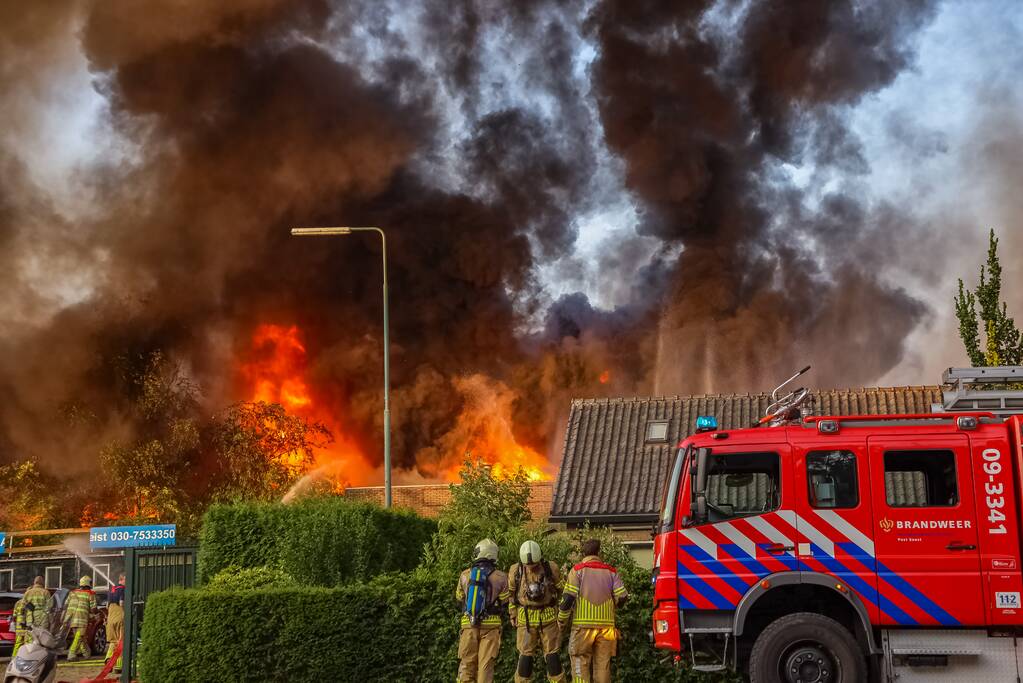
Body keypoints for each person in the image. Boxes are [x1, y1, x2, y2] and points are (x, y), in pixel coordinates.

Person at [557, 539, 628, 683]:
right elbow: (623, 597)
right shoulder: (611, 571)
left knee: (579, 661)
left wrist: (561, 621)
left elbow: (568, 600)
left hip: (582, 627)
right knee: (603, 665)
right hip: (607, 628)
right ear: (599, 552)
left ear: (583, 553)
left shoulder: (577, 571)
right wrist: (612, 606)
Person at [508, 540, 566, 683]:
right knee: (525, 658)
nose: (530, 568)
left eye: (533, 565)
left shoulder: (550, 568)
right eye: (528, 565)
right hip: (525, 620)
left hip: (548, 618)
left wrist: (561, 614)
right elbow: (510, 594)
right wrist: (513, 613)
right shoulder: (516, 570)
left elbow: (562, 590)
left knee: (552, 657)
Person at [455, 538, 510, 683]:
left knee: (466, 664)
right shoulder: (501, 577)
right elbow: (505, 603)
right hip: (491, 627)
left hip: (468, 625)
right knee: (485, 666)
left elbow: (459, 599)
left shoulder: (465, 575)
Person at [63, 575, 98, 661]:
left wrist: (64, 618)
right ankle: (71, 654)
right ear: (88, 584)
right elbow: (93, 609)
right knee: (79, 636)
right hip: (82, 619)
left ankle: (86, 653)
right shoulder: (90, 594)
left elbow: (65, 605)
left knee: (80, 637)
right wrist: (97, 613)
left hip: (71, 619)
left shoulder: (72, 593)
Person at [21, 575, 54, 643]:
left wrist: (23, 619)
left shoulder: (28, 592)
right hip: (42, 617)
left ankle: (30, 650)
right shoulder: (45, 592)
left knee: (31, 635)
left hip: (30, 617)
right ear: (42, 583)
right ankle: (41, 651)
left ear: (34, 582)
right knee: (42, 635)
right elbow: (50, 606)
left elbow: (23, 606)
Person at [105, 573, 126, 672]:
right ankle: (119, 666)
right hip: (119, 617)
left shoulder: (112, 589)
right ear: (122, 579)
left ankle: (108, 662)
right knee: (121, 641)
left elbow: (106, 606)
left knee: (113, 641)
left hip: (110, 618)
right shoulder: (123, 589)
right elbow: (122, 603)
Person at [10, 593, 28, 658]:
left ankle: (14, 657)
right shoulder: (29, 603)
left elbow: (14, 615)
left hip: (19, 626)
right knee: (27, 643)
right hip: (27, 626)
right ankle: (25, 657)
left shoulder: (18, 603)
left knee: (18, 643)